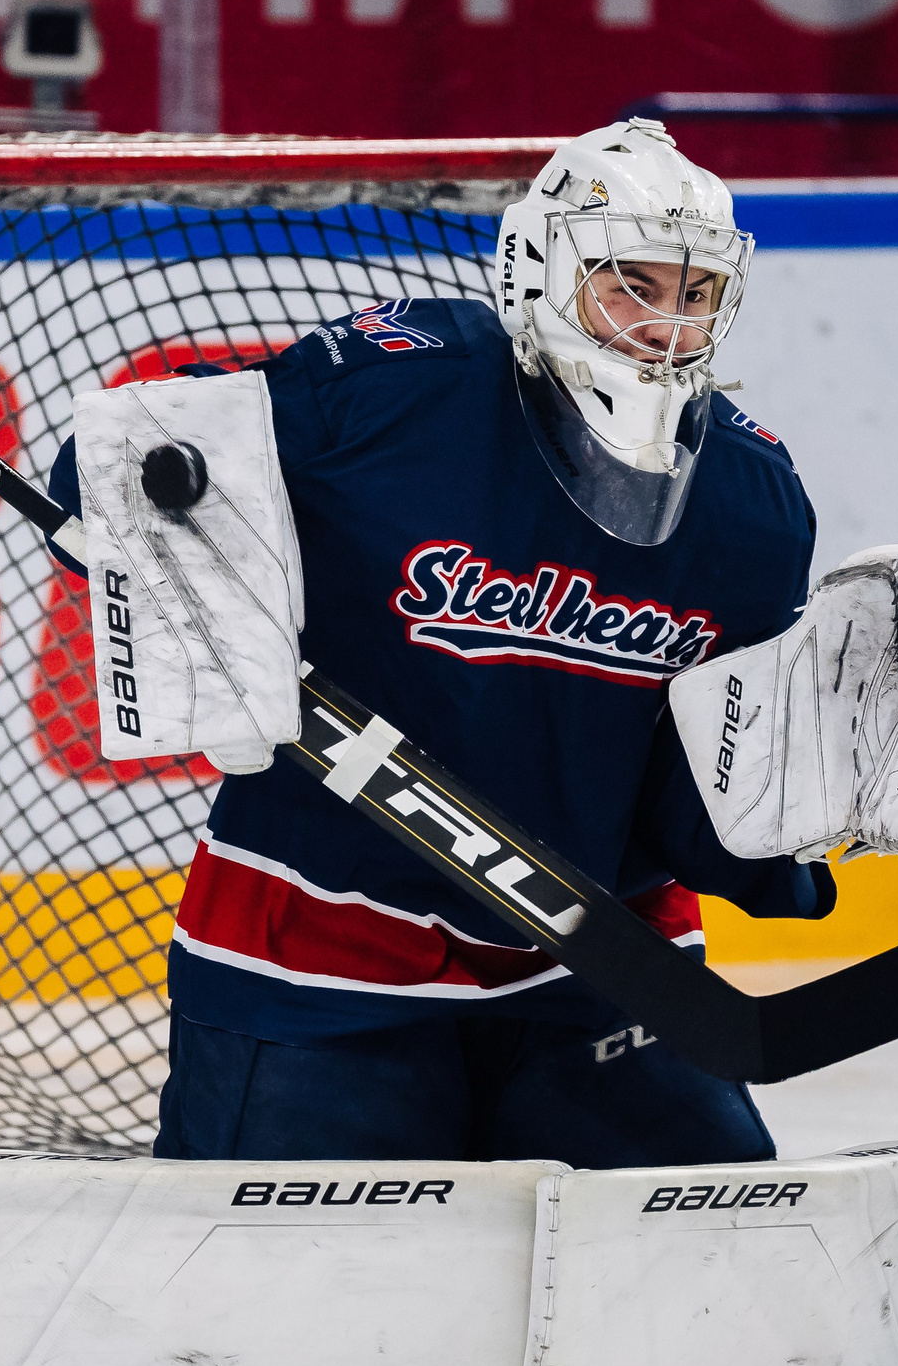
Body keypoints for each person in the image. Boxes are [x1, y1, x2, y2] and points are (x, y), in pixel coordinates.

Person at [46, 119, 837, 1171]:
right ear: (540, 270)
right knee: (272, 1310)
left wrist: (794, 829)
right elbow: (122, 462)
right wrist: (147, 501)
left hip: (601, 970)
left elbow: (696, 797)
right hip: (317, 962)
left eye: (693, 295)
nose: (663, 327)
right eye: (631, 285)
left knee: (704, 1282)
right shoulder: (396, 390)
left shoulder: (753, 502)